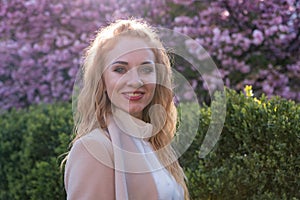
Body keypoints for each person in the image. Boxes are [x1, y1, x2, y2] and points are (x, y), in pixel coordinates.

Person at [64, 18, 189, 200]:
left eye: (146, 69)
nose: (135, 81)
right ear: (102, 80)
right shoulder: (94, 148)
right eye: (120, 69)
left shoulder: (153, 145)